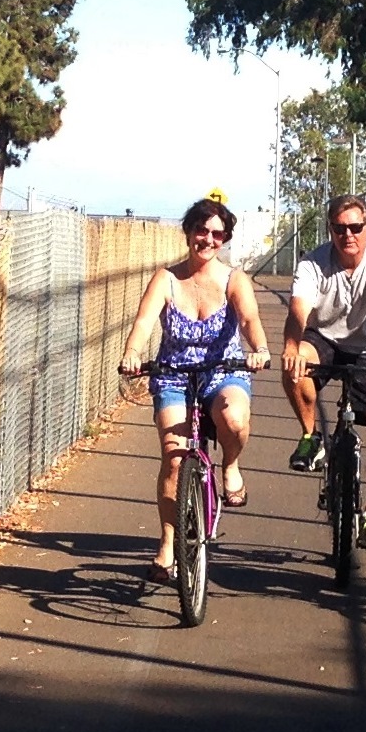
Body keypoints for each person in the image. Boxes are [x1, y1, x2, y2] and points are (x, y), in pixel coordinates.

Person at [119, 198, 271, 584]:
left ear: (224, 239)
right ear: (188, 233)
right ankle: (168, 544)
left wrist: (260, 349)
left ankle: (230, 465)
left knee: (233, 418)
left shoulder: (234, 279)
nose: (208, 239)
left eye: (217, 234)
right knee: (173, 457)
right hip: (173, 375)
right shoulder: (166, 279)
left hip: (223, 372)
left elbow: (250, 319)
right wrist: (133, 353)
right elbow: (143, 321)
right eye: (201, 231)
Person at [282, 193, 366, 550]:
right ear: (331, 230)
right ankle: (311, 437)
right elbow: (299, 311)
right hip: (325, 336)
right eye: (340, 228)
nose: (349, 235)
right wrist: (292, 347)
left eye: (356, 227)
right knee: (295, 370)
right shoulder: (313, 263)